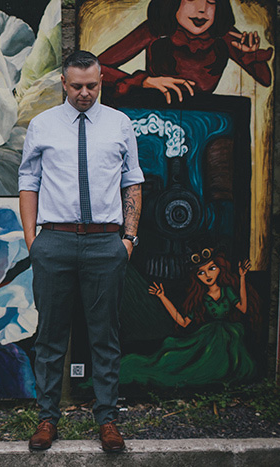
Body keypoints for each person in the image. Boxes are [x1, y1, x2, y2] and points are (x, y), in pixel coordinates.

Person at [19, 50, 143, 453]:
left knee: (104, 336)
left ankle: (107, 420)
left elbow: (133, 181)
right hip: (53, 240)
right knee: (50, 336)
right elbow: (28, 182)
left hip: (105, 242)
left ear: (101, 81)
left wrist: (128, 239)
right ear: (64, 84)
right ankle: (46, 418)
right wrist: (32, 241)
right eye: (77, 86)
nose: (85, 93)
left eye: (92, 85)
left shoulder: (120, 124)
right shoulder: (42, 125)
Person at [121, 248, 260, 386]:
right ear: (197, 277)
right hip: (208, 337)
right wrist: (162, 297)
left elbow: (243, 307)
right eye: (201, 273)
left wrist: (242, 277)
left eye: (211, 268)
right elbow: (183, 322)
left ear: (220, 268)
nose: (207, 275)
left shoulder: (227, 291)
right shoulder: (201, 299)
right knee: (188, 365)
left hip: (230, 335)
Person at [98, 0, 272, 103]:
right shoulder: (155, 30)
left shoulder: (224, 35)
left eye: (211, 1)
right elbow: (97, 68)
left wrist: (249, 55)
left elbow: (265, 80)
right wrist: (142, 81)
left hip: (206, 120)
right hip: (154, 115)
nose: (202, 9)